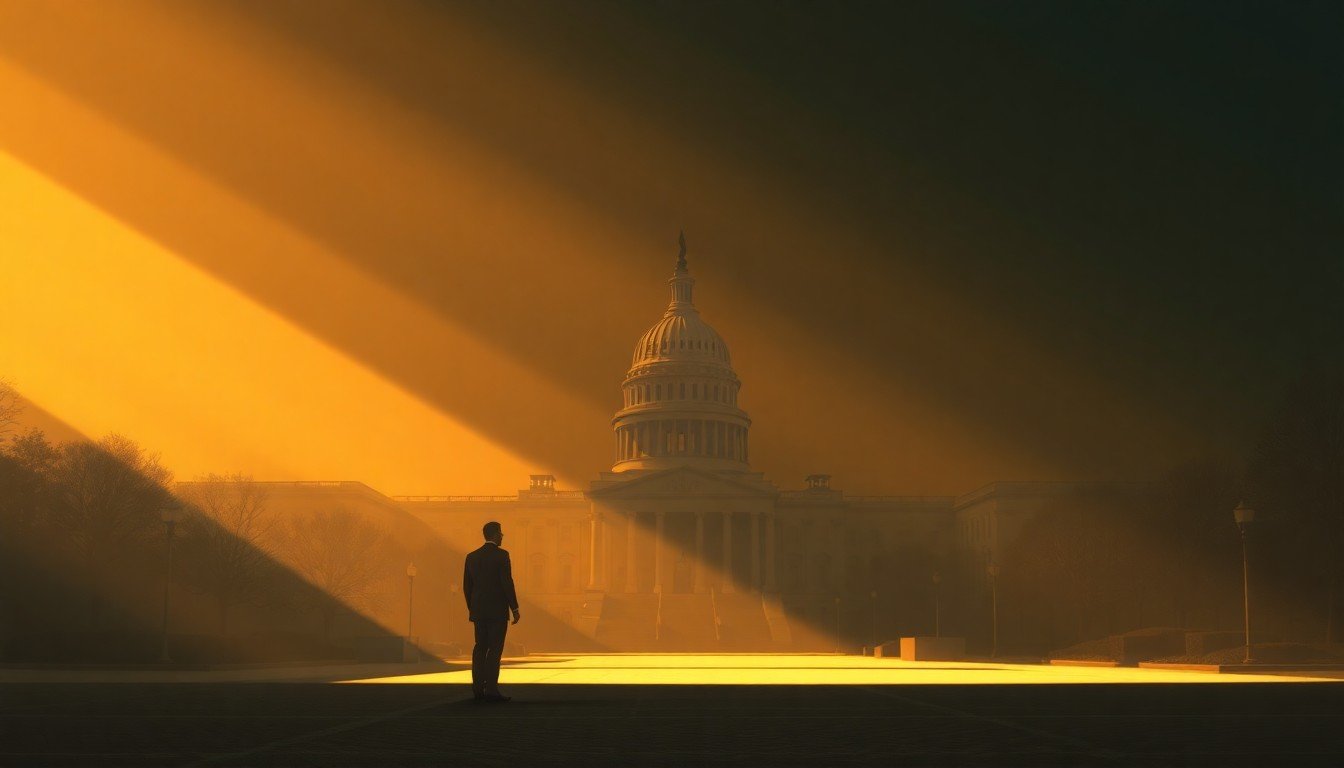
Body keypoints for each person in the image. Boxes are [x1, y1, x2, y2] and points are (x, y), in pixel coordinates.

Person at [463, 521, 520, 702]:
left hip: (479, 611)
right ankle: (492, 690)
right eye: (501, 533)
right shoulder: (502, 556)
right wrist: (515, 607)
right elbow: (506, 583)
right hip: (497, 612)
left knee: (480, 648)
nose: (502, 536)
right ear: (495, 534)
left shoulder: (471, 557)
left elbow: (467, 587)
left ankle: (478, 688)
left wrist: (472, 608)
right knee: (495, 650)